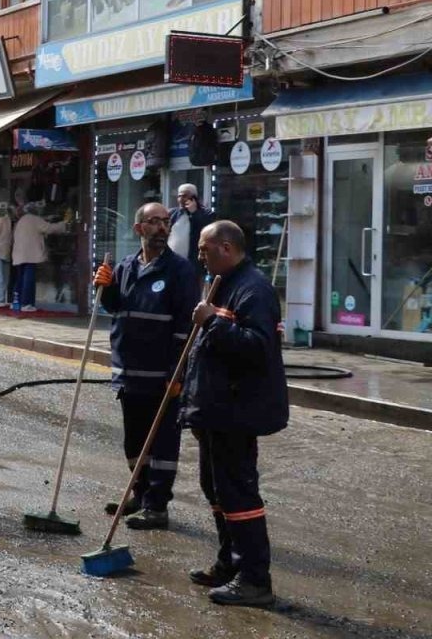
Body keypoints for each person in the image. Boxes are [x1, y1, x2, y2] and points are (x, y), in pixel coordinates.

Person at [183, 220, 288, 607]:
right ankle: (229, 562)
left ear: (226, 247)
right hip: (213, 408)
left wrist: (211, 321)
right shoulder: (222, 282)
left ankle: (255, 578)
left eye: (204, 249)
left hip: (236, 409)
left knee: (239, 492)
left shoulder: (254, 289)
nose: (199, 256)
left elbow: (257, 348)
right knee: (215, 489)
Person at [93, 202, 199, 530]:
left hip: (162, 375)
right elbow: (116, 307)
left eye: (166, 222)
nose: (162, 228)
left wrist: (177, 373)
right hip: (129, 371)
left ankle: (157, 506)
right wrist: (105, 287)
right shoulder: (126, 267)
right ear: (139, 229)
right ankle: (137, 493)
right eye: (154, 222)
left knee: (162, 443)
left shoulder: (180, 271)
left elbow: (186, 326)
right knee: (134, 442)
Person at [11, 202, 67, 312]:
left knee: (20, 279)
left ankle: (16, 302)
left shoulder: (21, 221)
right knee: (29, 279)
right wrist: (63, 224)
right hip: (30, 254)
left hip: (19, 254)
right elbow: (49, 228)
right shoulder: (34, 220)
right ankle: (27, 304)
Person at [169, 183, 216, 278]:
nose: (181, 199)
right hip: (172, 264)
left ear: (194, 197)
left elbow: (206, 230)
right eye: (179, 196)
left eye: (185, 196)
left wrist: (194, 213)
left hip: (194, 266)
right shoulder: (172, 214)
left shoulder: (206, 214)